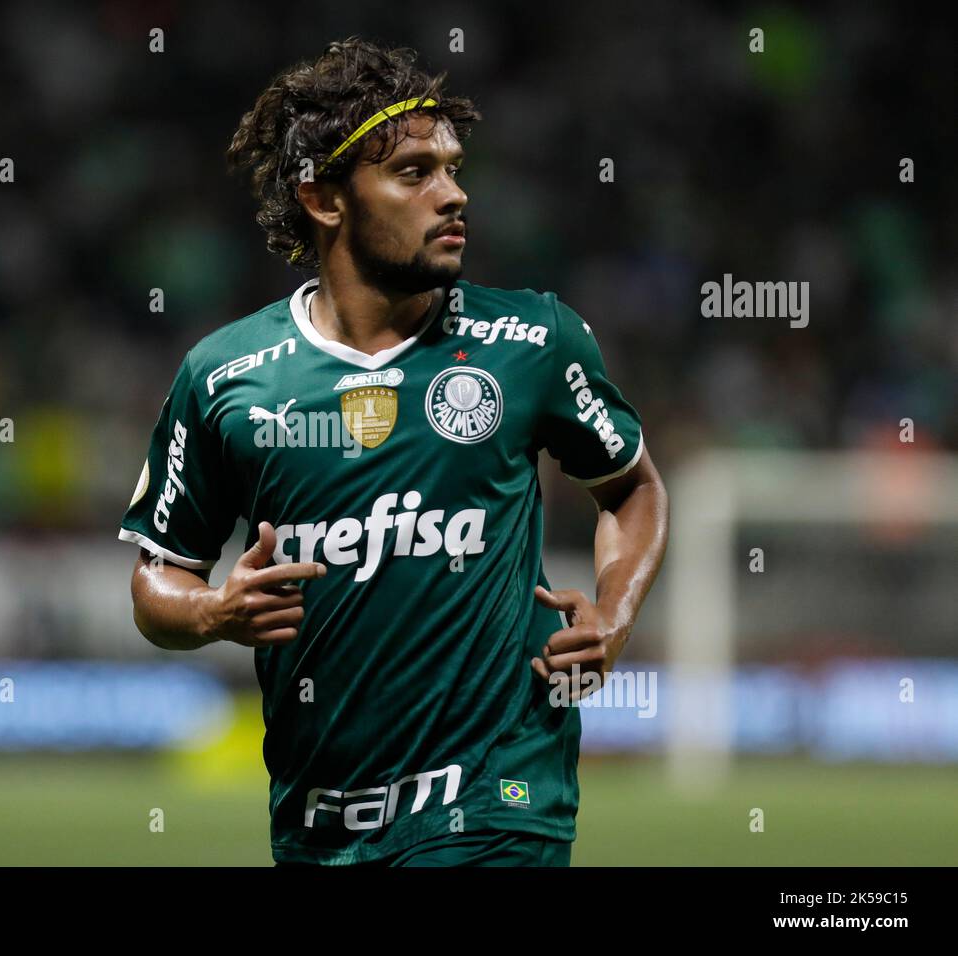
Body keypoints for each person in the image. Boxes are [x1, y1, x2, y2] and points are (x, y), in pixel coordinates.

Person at [119, 37, 669, 866]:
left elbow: (632, 488)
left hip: (499, 800)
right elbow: (159, 575)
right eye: (415, 173)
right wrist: (213, 612)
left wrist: (614, 614)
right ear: (325, 198)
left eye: (454, 167)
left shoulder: (531, 341)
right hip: (320, 821)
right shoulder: (228, 379)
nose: (454, 195)